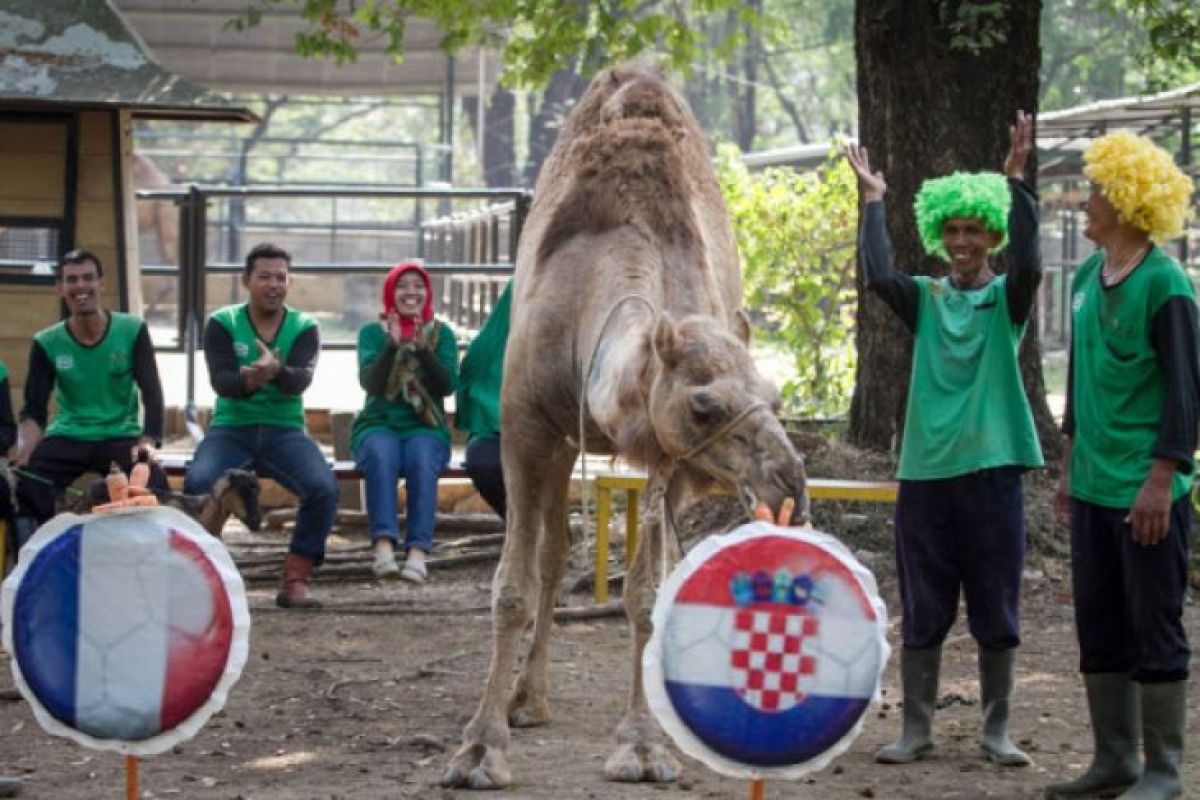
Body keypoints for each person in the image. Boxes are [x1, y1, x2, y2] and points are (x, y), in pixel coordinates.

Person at [845, 110, 1043, 768]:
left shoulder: (1007, 300)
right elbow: (877, 275)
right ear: (940, 232)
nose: (962, 241)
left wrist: (1018, 184)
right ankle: (916, 730)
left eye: (974, 230)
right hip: (927, 475)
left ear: (991, 234)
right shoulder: (926, 297)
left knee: (996, 606)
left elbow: (1035, 266)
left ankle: (996, 731)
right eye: (952, 229)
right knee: (924, 604)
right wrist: (873, 201)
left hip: (991, 474)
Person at [1045, 132, 1196, 800]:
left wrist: (1163, 477)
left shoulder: (1166, 285)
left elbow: (1188, 392)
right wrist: (1070, 463)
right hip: (1096, 482)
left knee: (1153, 619)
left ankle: (1163, 769)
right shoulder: (1084, 278)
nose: (1086, 201)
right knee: (1098, 619)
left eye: (1099, 191)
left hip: (1146, 488)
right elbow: (1079, 378)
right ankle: (1114, 760)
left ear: (1133, 203)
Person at [184, 243, 337, 608]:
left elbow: (300, 380)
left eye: (281, 277)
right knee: (197, 483)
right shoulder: (223, 323)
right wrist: (250, 381)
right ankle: (207, 574)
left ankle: (296, 578)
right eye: (264, 276)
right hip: (230, 429)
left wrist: (276, 371)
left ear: (290, 281)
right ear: (246, 280)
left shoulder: (304, 326)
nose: (273, 284)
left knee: (323, 488)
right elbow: (221, 381)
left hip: (284, 431)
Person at [13, 249, 168, 535]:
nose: (81, 286)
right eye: (72, 280)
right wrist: (24, 451)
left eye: (88, 278)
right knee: (28, 486)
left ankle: (148, 558)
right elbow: (34, 409)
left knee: (155, 481)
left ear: (102, 284)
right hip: (69, 435)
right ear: (60, 288)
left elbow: (152, 392)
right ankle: (38, 556)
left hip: (120, 435)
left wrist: (148, 442)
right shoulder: (47, 342)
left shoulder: (132, 330)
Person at [351, 261, 458, 582]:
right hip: (377, 423)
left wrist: (424, 352)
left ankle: (418, 551)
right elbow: (371, 384)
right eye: (402, 286)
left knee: (421, 458)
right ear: (390, 293)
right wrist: (390, 347)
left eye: (418, 286)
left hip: (425, 426)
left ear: (427, 293)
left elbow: (447, 385)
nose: (411, 292)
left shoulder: (441, 334)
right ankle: (383, 545)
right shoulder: (373, 333)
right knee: (382, 454)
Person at [456, 281, 510, 519]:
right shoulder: (502, 326)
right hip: (495, 428)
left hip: (549, 432)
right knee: (483, 461)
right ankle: (522, 527)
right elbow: (474, 364)